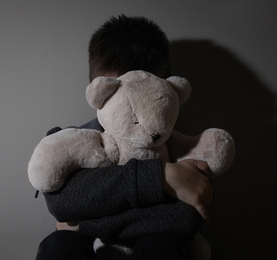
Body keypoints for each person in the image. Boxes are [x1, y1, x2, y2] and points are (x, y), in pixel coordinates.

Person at [35, 15, 214, 260]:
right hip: (85, 248)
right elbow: (61, 204)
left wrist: (83, 222)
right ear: (97, 90)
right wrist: (162, 177)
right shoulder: (74, 142)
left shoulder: (182, 147)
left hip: (157, 247)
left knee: (163, 245)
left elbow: (187, 218)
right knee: (59, 244)